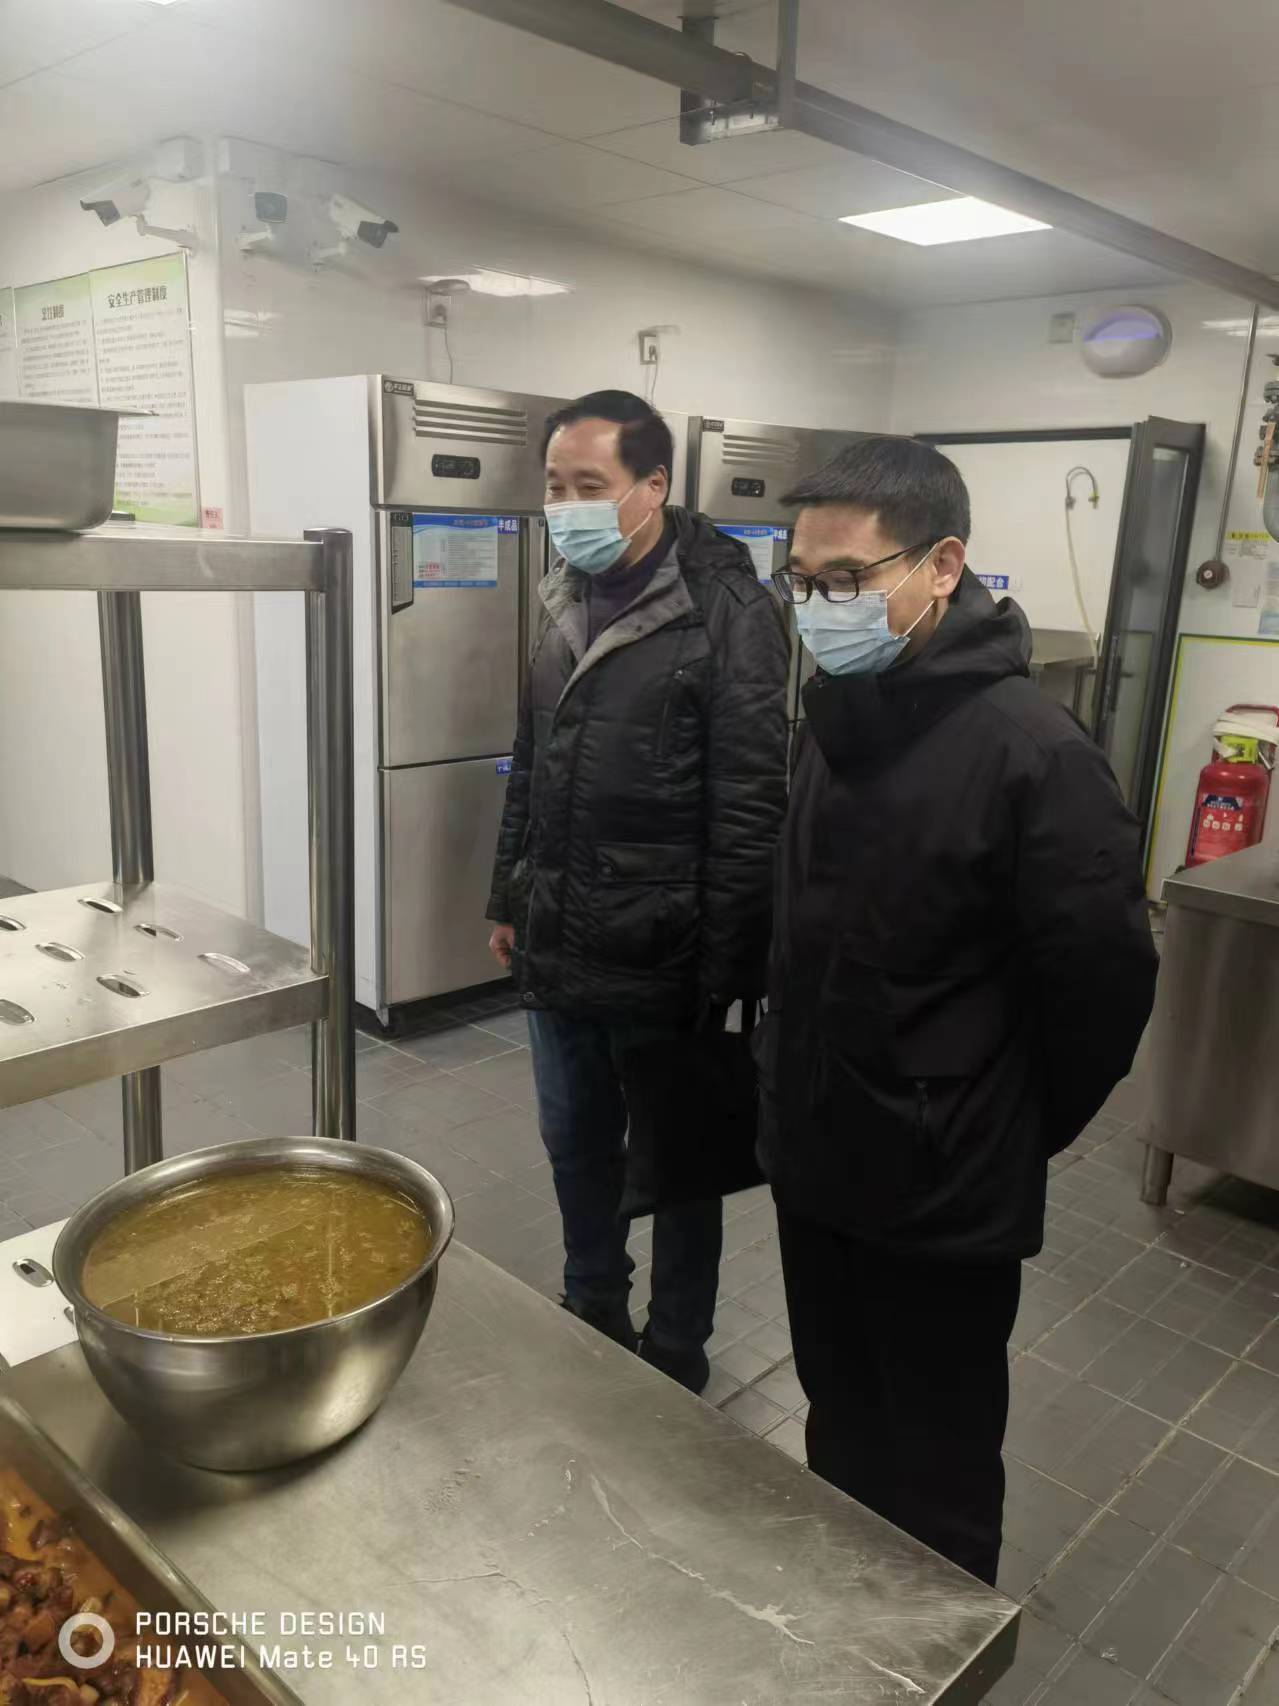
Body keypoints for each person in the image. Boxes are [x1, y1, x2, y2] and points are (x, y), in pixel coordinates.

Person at [758, 435, 1157, 1585]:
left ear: (942, 564)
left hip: (940, 1186)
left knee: (935, 1456)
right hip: (819, 1151)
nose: (820, 607)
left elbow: (1103, 984)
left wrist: (996, 1121)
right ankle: (845, 1616)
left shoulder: (1034, 752)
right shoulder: (837, 717)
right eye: (802, 580)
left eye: (847, 578)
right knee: (838, 1411)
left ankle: (940, 1645)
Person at [487, 388, 790, 1393]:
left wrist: (727, 966)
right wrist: (507, 896)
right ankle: (593, 1301)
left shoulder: (728, 610)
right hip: (558, 930)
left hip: (667, 950)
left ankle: (677, 1342)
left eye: (590, 484)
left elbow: (749, 800)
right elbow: (532, 757)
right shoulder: (559, 591)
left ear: (652, 486)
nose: (566, 505)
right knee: (574, 1139)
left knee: (677, 1160)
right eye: (554, 485)